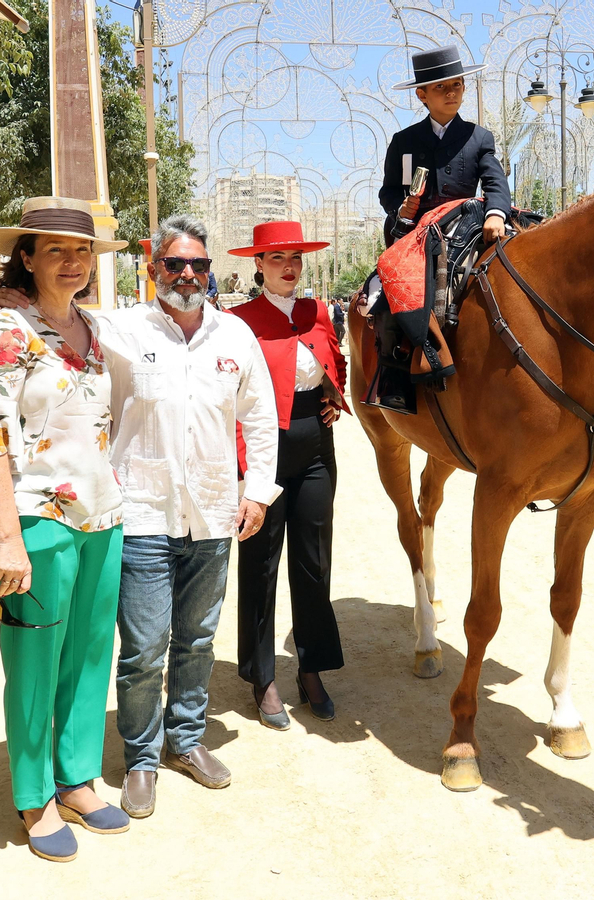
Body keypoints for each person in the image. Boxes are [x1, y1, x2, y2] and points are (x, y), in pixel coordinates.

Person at [0, 215, 282, 818]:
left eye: (198, 265)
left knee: (198, 639)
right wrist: (13, 300)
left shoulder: (234, 336)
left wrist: (256, 492)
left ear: (211, 271)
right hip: (142, 514)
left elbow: (258, 416)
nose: (187, 274)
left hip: (212, 515)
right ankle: (142, 758)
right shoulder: (118, 329)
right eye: (174, 264)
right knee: (144, 648)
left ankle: (187, 738)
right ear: (154, 270)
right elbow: (55, 325)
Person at [0, 197, 132, 863]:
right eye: (56, 250)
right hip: (33, 514)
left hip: (101, 511)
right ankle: (34, 796)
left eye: (82, 250)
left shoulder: (94, 326)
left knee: (89, 651)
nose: (73, 261)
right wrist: (8, 537)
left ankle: (76, 778)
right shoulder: (4, 328)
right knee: (33, 659)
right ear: (26, 257)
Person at [229, 221, 349, 729]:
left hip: (316, 446)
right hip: (263, 449)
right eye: (276, 258)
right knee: (260, 562)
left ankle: (311, 668)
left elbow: (333, 361)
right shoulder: (237, 321)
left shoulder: (318, 311)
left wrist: (333, 395)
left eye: (295, 257)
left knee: (314, 561)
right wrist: (244, 470)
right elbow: (231, 397)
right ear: (258, 264)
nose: (289, 266)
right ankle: (262, 677)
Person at [370, 45, 512, 405]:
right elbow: (388, 191)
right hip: (417, 233)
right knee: (389, 293)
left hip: (468, 225)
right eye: (441, 87)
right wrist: (400, 209)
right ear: (422, 95)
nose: (452, 93)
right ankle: (394, 380)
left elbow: (495, 181)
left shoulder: (479, 137)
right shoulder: (403, 142)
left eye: (458, 85)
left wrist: (497, 213)